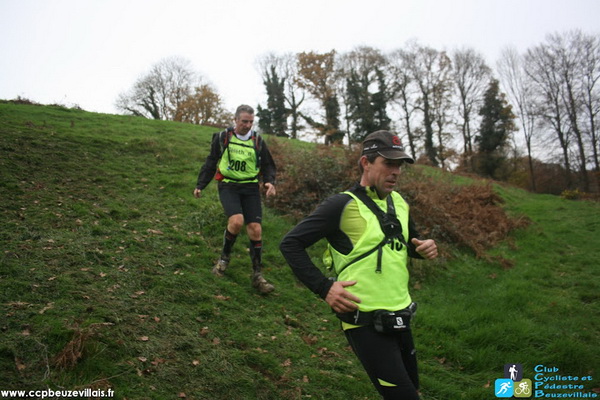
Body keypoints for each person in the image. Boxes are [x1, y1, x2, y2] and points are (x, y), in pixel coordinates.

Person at [279, 130, 438, 399]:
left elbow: (405, 243)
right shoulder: (341, 205)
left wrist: (422, 249)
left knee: (413, 389)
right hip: (364, 319)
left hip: (401, 313)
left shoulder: (399, 202)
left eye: (399, 165)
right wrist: (325, 288)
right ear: (366, 163)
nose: (396, 171)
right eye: (388, 163)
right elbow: (290, 244)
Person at [194, 104, 277, 294]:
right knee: (237, 221)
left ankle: (257, 275)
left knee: (255, 229)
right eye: (244, 121)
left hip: (250, 188)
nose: (248, 125)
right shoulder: (223, 138)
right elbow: (211, 162)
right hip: (229, 186)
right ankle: (223, 260)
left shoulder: (258, 141)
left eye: (251, 122)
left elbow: (268, 165)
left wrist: (270, 182)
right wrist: (200, 185)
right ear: (235, 120)